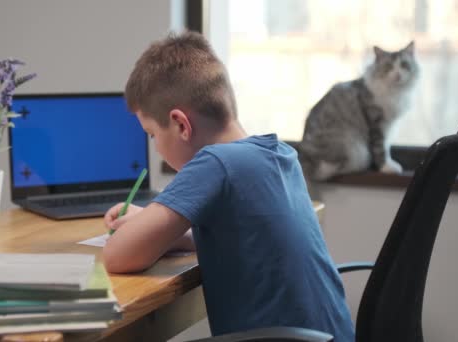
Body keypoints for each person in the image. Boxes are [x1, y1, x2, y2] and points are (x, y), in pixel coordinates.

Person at [103, 31, 355, 341]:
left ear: (181, 124)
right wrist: (153, 227)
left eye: (152, 134)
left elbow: (116, 256)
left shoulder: (214, 164)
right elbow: (244, 234)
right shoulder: (278, 155)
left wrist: (137, 231)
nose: (155, 146)